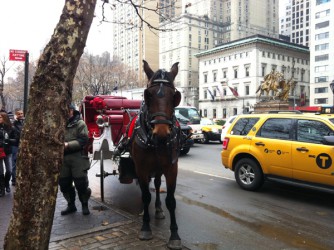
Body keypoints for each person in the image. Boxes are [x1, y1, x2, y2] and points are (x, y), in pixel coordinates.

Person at [59, 104, 91, 215]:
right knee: (64, 184)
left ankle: (84, 205)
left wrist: (68, 144)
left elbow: (83, 140)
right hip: (63, 158)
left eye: (67, 110)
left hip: (77, 157)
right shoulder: (59, 124)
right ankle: (71, 205)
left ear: (71, 110)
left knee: (81, 184)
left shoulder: (80, 124)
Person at [0, 112, 16, 197]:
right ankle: (2, 189)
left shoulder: (11, 128)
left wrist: (8, 140)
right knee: (0, 171)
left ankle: (6, 184)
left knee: (9, 170)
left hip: (8, 151)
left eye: (0, 117)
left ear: (4, 118)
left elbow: (16, 140)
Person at [11, 109, 25, 186]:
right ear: (16, 115)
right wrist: (15, 121)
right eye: (19, 114)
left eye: (21, 113)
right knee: (14, 164)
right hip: (15, 146)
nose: (21, 115)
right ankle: (14, 179)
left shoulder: (24, 122)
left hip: (22, 145)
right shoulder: (13, 124)